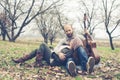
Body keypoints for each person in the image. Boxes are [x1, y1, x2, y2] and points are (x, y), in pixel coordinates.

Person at [12, 24, 96, 76]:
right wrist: (59, 53)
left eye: (69, 30)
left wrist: (88, 34)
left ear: (72, 29)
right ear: (65, 32)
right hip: (57, 56)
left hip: (64, 58)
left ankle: (38, 62)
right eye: (66, 31)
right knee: (37, 50)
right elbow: (56, 48)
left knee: (43, 45)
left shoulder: (77, 39)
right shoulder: (63, 40)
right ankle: (21, 60)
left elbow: (90, 41)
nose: (68, 32)